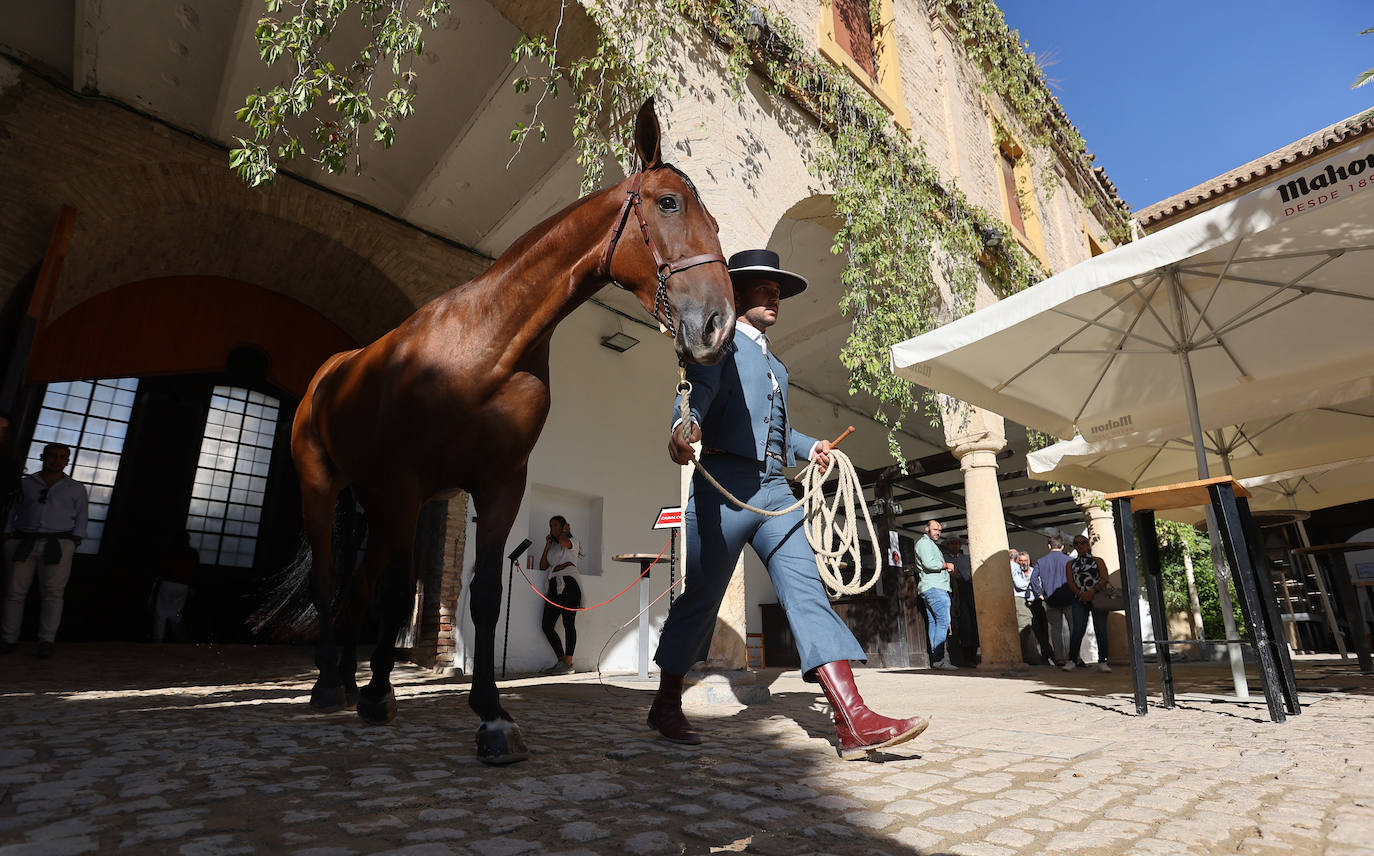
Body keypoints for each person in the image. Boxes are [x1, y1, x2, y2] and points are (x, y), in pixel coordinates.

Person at [654, 248, 927, 760]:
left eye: (777, 287)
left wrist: (809, 447)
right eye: (762, 286)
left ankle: (853, 721)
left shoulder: (776, 362)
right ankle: (666, 702)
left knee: (807, 592)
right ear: (737, 292)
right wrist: (682, 427)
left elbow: (774, 427)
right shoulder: (721, 341)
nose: (774, 294)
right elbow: (694, 396)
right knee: (701, 599)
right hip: (724, 486)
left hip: (776, 488)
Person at [2, 443, 88, 657]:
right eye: (52, 456)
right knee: (14, 593)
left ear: (67, 461)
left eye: (62, 457)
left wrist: (75, 540)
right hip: (22, 540)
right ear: (43, 457)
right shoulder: (26, 484)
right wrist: (7, 534)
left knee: (53, 593)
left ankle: (47, 641)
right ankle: (8, 639)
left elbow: (81, 517)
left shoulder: (76, 488)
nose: (57, 460)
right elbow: (12, 510)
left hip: (58, 542)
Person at [538, 514, 581, 675]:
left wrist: (563, 532)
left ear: (563, 526)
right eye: (551, 526)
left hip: (569, 583)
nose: (552, 528)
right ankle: (561, 661)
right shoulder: (554, 546)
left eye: (555, 525)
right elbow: (543, 566)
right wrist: (547, 546)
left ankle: (569, 663)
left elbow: (565, 542)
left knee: (568, 623)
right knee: (546, 625)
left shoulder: (572, 540)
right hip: (554, 584)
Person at [914, 519, 957, 670]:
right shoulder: (924, 544)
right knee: (943, 622)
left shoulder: (930, 544)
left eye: (939, 530)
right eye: (935, 529)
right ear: (927, 529)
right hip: (934, 588)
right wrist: (946, 565)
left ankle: (937, 660)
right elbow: (929, 563)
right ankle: (939, 659)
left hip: (931, 587)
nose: (938, 532)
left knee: (934, 623)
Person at [1066, 535, 1112, 672]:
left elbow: (1104, 577)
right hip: (1079, 599)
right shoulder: (1071, 564)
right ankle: (1072, 659)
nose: (1079, 545)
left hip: (1097, 597)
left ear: (1087, 545)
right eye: (1076, 543)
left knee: (1101, 630)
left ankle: (1103, 660)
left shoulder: (1098, 561)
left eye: (1082, 543)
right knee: (1078, 630)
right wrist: (1081, 593)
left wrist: (1092, 591)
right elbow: (1070, 581)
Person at [1029, 534, 1074, 668]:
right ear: (1062, 546)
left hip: (1051, 599)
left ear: (1049, 546)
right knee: (1073, 628)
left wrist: (1039, 593)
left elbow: (1033, 579)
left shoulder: (1041, 562)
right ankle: (1074, 656)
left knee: (1055, 630)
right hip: (1069, 598)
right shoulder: (1069, 560)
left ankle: (1059, 658)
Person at [151, 530, 199, 643]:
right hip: (183, 586)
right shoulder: (192, 553)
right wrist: (193, 586)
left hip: (167, 583)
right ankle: (181, 638)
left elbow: (161, 566)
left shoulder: (169, 550)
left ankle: (158, 640)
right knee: (175, 613)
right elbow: (195, 571)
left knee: (160, 613)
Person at [1013, 550, 1056, 666]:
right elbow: (1019, 584)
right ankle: (1026, 656)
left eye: (1025, 561)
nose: (1023, 563)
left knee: (1043, 630)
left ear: (1029, 561)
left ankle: (1047, 655)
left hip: (1037, 602)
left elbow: (1041, 585)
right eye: (1021, 561)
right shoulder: (1015, 572)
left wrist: (1032, 582)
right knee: (1026, 629)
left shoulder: (1034, 571)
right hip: (1023, 602)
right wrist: (1032, 582)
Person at [944, 536, 978, 666]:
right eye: (951, 543)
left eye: (956, 543)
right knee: (958, 625)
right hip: (952, 591)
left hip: (968, 591)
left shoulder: (967, 559)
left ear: (960, 545)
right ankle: (959, 657)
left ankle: (972, 656)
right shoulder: (944, 559)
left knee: (971, 622)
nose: (954, 546)